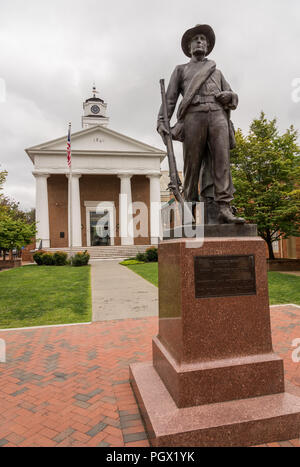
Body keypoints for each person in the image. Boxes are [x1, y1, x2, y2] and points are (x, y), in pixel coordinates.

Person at [157, 24, 245, 224]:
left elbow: (233, 96)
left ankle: (224, 208)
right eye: (195, 39)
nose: (200, 42)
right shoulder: (181, 70)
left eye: (203, 39)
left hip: (218, 116)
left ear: (207, 46)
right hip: (193, 117)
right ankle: (189, 212)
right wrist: (162, 121)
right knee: (192, 166)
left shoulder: (217, 72)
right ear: (189, 47)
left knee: (221, 163)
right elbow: (169, 100)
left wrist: (229, 96)